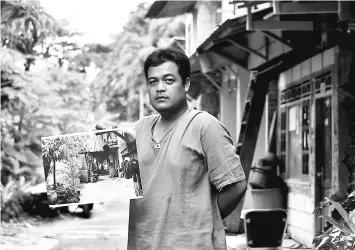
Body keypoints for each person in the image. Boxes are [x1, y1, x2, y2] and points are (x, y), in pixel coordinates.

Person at [99, 47, 247, 249]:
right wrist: (101, 140)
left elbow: (236, 185)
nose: (160, 88)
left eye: (169, 80)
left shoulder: (204, 126)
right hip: (143, 243)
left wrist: (201, 221)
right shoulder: (139, 129)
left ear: (186, 84)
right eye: (153, 82)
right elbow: (105, 180)